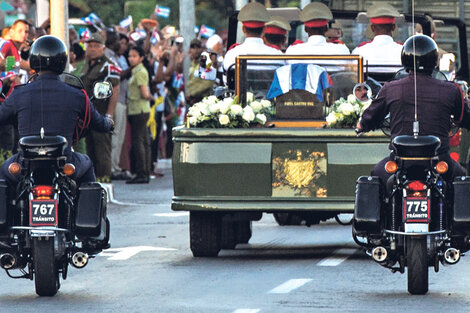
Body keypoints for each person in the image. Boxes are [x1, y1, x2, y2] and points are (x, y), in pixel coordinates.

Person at [356, 35, 470, 185]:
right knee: (461, 178)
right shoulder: (451, 90)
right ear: (434, 61)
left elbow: (369, 118)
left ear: (404, 60)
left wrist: (361, 126)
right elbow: (465, 119)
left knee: (375, 175)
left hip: (400, 162)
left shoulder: (390, 88)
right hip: (439, 160)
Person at [80, 32, 120, 182]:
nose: (92, 49)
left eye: (96, 46)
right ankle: (93, 179)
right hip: (88, 115)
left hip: (101, 113)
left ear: (103, 48)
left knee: (102, 148)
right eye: (90, 46)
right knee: (90, 148)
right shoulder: (86, 65)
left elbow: (115, 90)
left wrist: (109, 115)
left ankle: (104, 179)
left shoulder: (109, 66)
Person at [222, 2, 282, 72]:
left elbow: (227, 81)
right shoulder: (277, 55)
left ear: (243, 29)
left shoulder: (231, 55)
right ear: (264, 29)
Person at [126, 45, 152, 184]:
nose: (131, 59)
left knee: (139, 142)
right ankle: (145, 171)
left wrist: (150, 97)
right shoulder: (136, 71)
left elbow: (144, 93)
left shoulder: (140, 71)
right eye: (130, 56)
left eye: (134, 56)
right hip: (139, 109)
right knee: (143, 141)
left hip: (139, 110)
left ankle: (142, 172)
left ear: (141, 58)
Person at [351, 3, 402, 73]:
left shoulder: (359, 52)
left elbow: (353, 76)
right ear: (393, 27)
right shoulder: (403, 51)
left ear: (372, 28)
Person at [186, 38, 214, 106]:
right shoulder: (192, 64)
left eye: (198, 47)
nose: (195, 50)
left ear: (202, 49)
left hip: (202, 102)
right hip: (192, 101)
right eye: (193, 48)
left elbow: (208, 84)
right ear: (190, 50)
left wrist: (192, 94)